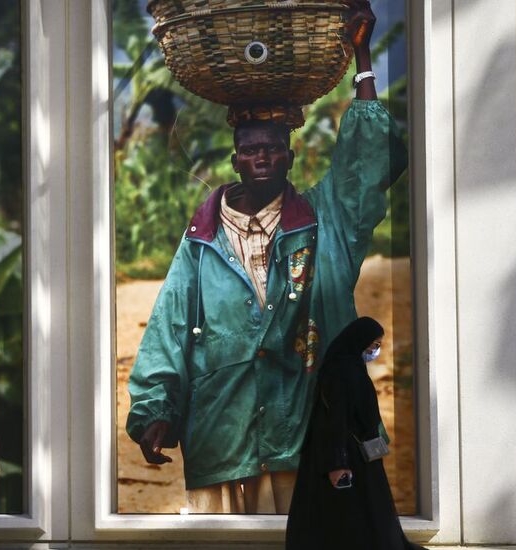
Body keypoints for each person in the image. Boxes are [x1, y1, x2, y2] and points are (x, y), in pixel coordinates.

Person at [125, 0, 407, 514]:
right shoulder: (202, 240)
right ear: (234, 159)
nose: (262, 157)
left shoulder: (326, 221)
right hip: (221, 439)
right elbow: (168, 330)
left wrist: (363, 57)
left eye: (274, 147)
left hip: (305, 439)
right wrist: (155, 410)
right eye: (251, 149)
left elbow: (367, 161)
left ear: (290, 156)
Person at [286, 317, 424, 549]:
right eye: (374, 344)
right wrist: (337, 463)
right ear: (359, 340)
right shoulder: (342, 371)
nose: (375, 350)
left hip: (353, 453)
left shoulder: (348, 367)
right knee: (351, 514)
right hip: (347, 455)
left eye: (378, 345)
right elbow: (335, 418)